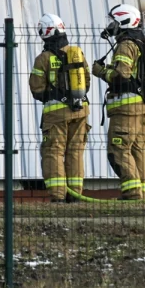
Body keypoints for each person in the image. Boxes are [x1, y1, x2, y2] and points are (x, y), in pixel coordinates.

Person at [93, 3, 145, 200]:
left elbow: (120, 75)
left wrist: (100, 71)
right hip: (141, 106)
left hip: (126, 108)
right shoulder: (140, 42)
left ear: (123, 21)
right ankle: (140, 193)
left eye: (113, 21)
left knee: (117, 149)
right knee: (136, 150)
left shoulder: (126, 45)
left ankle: (132, 193)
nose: (111, 26)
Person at [29, 13, 90, 202]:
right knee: (75, 151)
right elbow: (86, 82)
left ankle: (58, 195)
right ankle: (75, 194)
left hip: (56, 114)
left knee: (53, 151)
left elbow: (36, 88)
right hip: (81, 110)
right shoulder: (77, 53)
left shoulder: (43, 59)